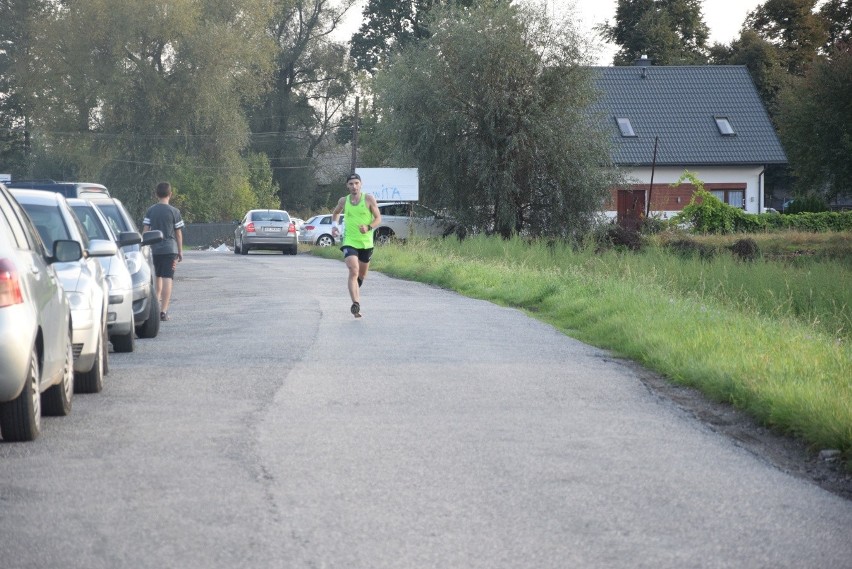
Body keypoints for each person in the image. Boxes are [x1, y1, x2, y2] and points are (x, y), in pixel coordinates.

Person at [331, 172, 381, 318]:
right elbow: (335, 213)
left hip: (366, 243)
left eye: (356, 183)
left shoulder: (369, 199)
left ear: (361, 184)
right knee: (353, 270)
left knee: (362, 275)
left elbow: (378, 218)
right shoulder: (343, 201)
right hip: (349, 241)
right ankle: (356, 304)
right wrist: (334, 226)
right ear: (347, 186)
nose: (354, 186)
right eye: (351, 184)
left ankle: (354, 289)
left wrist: (369, 227)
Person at [143, 182, 184, 321]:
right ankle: (163, 311)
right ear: (170, 194)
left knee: (157, 278)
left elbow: (145, 231)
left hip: (154, 250)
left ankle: (154, 311)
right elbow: (178, 234)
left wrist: (144, 248)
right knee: (168, 278)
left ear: (156, 194)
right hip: (170, 249)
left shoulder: (151, 210)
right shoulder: (175, 212)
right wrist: (180, 251)